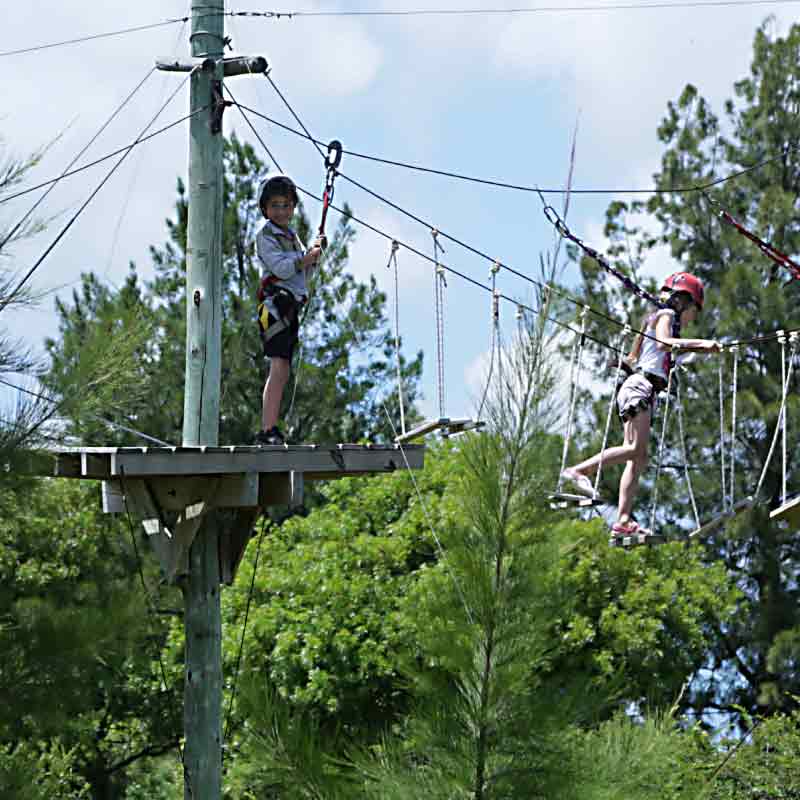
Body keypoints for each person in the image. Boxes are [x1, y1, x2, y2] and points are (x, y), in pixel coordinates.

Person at [560, 272, 722, 537]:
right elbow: (664, 344)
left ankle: (623, 521)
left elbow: (648, 355)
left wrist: (689, 353)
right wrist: (701, 344)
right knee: (634, 448)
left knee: (639, 456)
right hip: (640, 387)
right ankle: (578, 471)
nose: (693, 317)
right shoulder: (666, 316)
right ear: (683, 302)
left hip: (642, 389)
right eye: (694, 310)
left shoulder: (656, 320)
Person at [253, 174, 322, 445]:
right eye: (275, 206)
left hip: (289, 305)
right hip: (274, 305)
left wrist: (314, 254)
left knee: (283, 368)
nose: (281, 211)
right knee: (278, 366)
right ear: (265, 208)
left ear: (293, 208)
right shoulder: (266, 236)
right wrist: (305, 257)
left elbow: (304, 272)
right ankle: (267, 429)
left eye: (286, 205)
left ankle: (271, 427)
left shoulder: (292, 236)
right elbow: (282, 267)